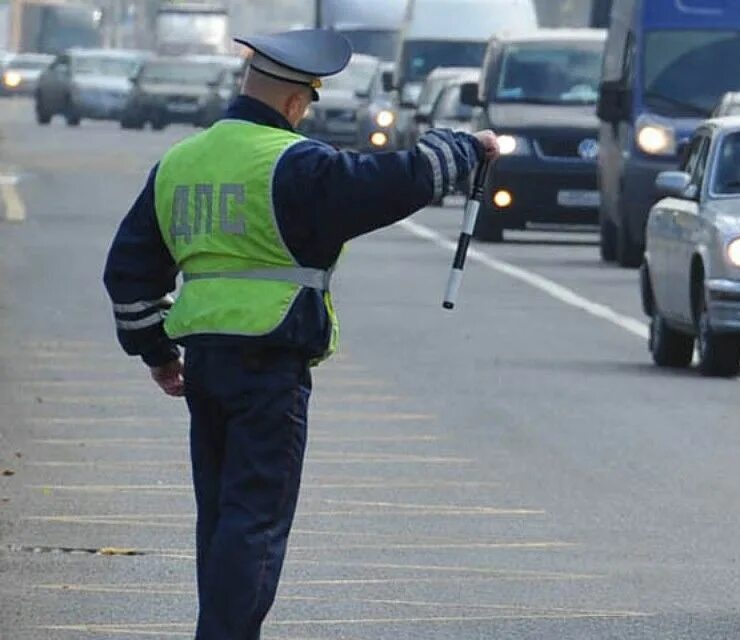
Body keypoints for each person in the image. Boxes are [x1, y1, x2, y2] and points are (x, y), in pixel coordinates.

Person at [102, 28, 498, 640]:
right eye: (309, 102)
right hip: (270, 360)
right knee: (255, 519)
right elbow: (393, 181)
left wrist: (155, 351)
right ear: (294, 102)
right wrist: (467, 149)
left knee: (221, 518)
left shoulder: (179, 163)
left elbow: (127, 271)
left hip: (204, 362)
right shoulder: (295, 164)